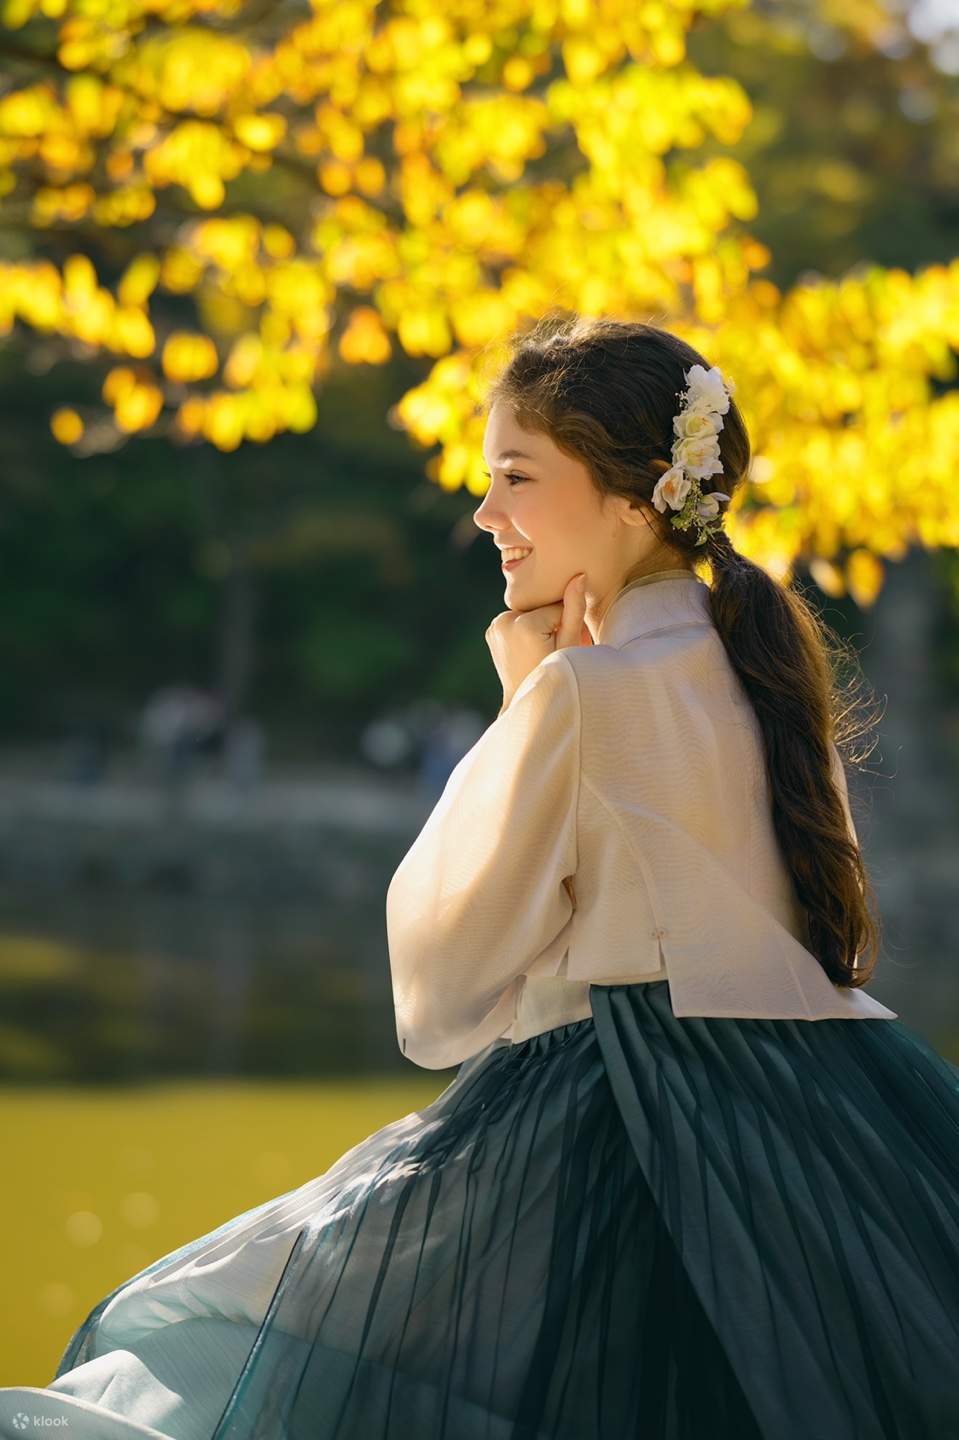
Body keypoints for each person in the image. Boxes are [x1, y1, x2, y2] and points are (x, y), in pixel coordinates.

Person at [3, 315, 959, 1439]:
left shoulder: (583, 693)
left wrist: (527, 692)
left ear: (634, 496)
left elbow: (440, 993)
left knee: (211, 1328)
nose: (483, 513)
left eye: (515, 477)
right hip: (823, 1121)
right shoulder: (769, 677)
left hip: (617, 1120)